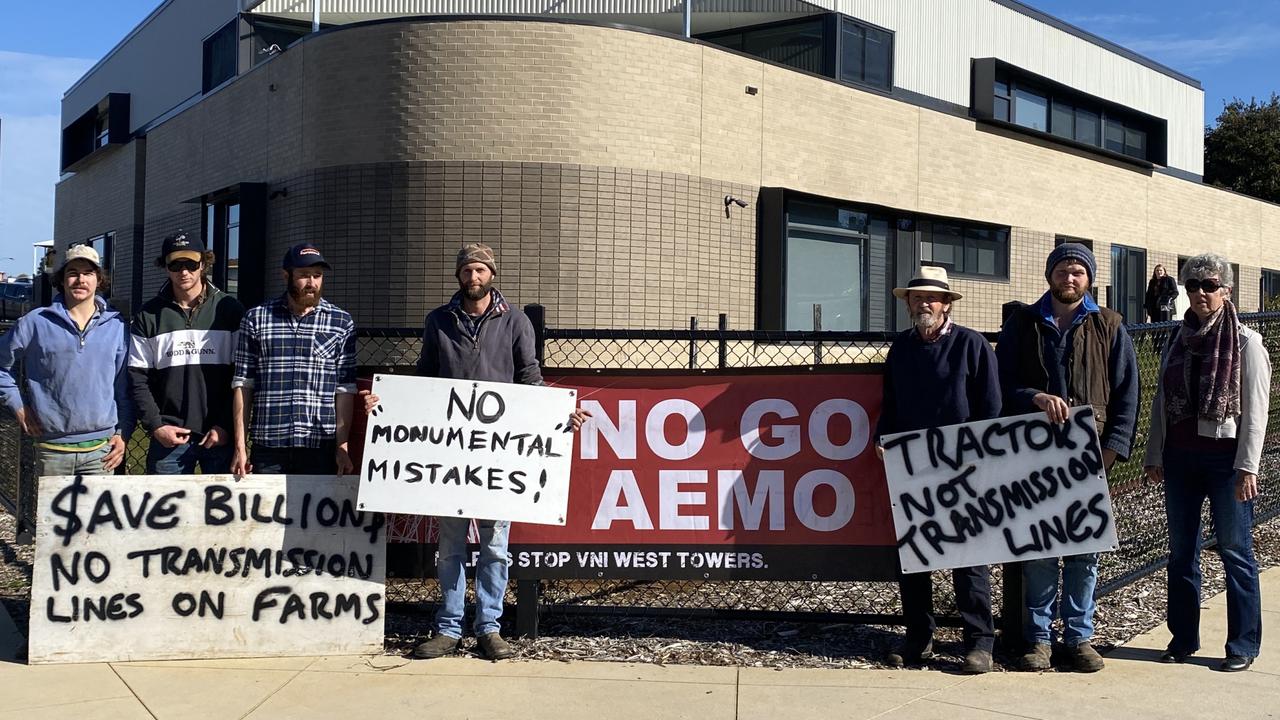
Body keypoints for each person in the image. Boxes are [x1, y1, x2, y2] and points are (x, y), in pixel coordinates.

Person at [363, 243, 589, 661]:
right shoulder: (439, 321)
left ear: (492, 274)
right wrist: (388, 406)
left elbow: (529, 376)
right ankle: (448, 627)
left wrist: (559, 414)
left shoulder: (516, 320)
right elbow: (424, 380)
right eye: (467, 270)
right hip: (450, 458)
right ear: (458, 276)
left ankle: (489, 627)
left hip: (497, 457)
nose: (473, 277)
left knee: (495, 546)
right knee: (449, 546)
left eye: (480, 270)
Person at [996, 242, 1139, 672]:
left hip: (1089, 457)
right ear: (1049, 276)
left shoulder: (1109, 326)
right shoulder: (1023, 323)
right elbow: (1000, 386)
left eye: (1078, 271)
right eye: (1063, 270)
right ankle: (1038, 639)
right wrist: (1034, 397)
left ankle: (1079, 638)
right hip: (1034, 458)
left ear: (1090, 279)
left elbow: (1127, 395)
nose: (1070, 278)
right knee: (1039, 552)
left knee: (1082, 553)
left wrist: (1112, 451)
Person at [1143, 253, 1269, 672]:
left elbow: (1256, 411)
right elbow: (1161, 400)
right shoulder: (1177, 338)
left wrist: (1248, 467)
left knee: (1235, 552)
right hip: (1180, 461)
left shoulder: (1247, 342)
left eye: (1209, 285)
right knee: (1181, 553)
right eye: (1192, 285)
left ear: (1226, 291)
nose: (1199, 292)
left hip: (1225, 463)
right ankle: (1183, 638)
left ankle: (1243, 645)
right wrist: (1154, 453)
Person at [875, 266, 1001, 673]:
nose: (923, 303)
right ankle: (919, 637)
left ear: (947, 303)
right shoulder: (902, 349)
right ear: (907, 304)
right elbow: (890, 402)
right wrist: (883, 438)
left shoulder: (972, 345)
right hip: (912, 466)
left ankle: (979, 642)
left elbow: (991, 407)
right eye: (916, 297)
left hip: (964, 467)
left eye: (931, 297)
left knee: (969, 557)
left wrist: (981, 455)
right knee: (915, 556)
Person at [0, 245, 133, 475]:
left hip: (102, 451)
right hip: (51, 450)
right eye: (73, 272)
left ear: (98, 280)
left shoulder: (116, 327)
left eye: (88, 273)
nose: (80, 279)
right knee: (50, 514)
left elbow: (123, 387)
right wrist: (19, 407)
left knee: (95, 513)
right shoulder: (35, 323)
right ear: (61, 279)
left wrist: (123, 432)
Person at [231, 243, 357, 476]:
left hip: (319, 443)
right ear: (286, 275)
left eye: (317, 276)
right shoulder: (257, 318)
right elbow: (243, 384)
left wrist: (343, 444)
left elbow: (345, 389)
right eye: (303, 275)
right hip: (269, 443)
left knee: (314, 513)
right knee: (266, 512)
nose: (312, 283)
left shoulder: (340, 323)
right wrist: (240, 445)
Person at [128, 231, 245, 473]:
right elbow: (138, 379)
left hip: (219, 436)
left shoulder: (230, 310)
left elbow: (241, 377)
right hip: (169, 438)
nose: (184, 271)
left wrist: (225, 426)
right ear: (165, 267)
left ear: (203, 264)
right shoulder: (147, 316)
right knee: (165, 511)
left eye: (191, 264)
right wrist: (156, 426)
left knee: (221, 512)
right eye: (176, 264)